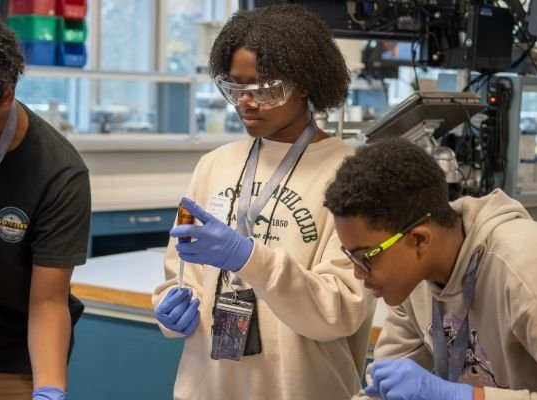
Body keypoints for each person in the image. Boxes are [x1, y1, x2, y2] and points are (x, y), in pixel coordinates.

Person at [152, 4, 375, 400]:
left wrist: (248, 259)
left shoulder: (352, 173)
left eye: (263, 88)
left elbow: (339, 311)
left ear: (305, 83)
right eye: (236, 87)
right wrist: (172, 307)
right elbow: (181, 274)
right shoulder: (213, 166)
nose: (245, 102)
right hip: (208, 389)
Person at [324, 137, 537, 399]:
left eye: (365, 257)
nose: (358, 273)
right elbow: (383, 390)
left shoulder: (531, 271)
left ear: (420, 240)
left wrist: (467, 397)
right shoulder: (410, 282)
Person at [0, 12, 91, 400]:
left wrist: (48, 388)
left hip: (7, 353)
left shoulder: (57, 172)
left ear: (5, 96)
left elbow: (47, 301)